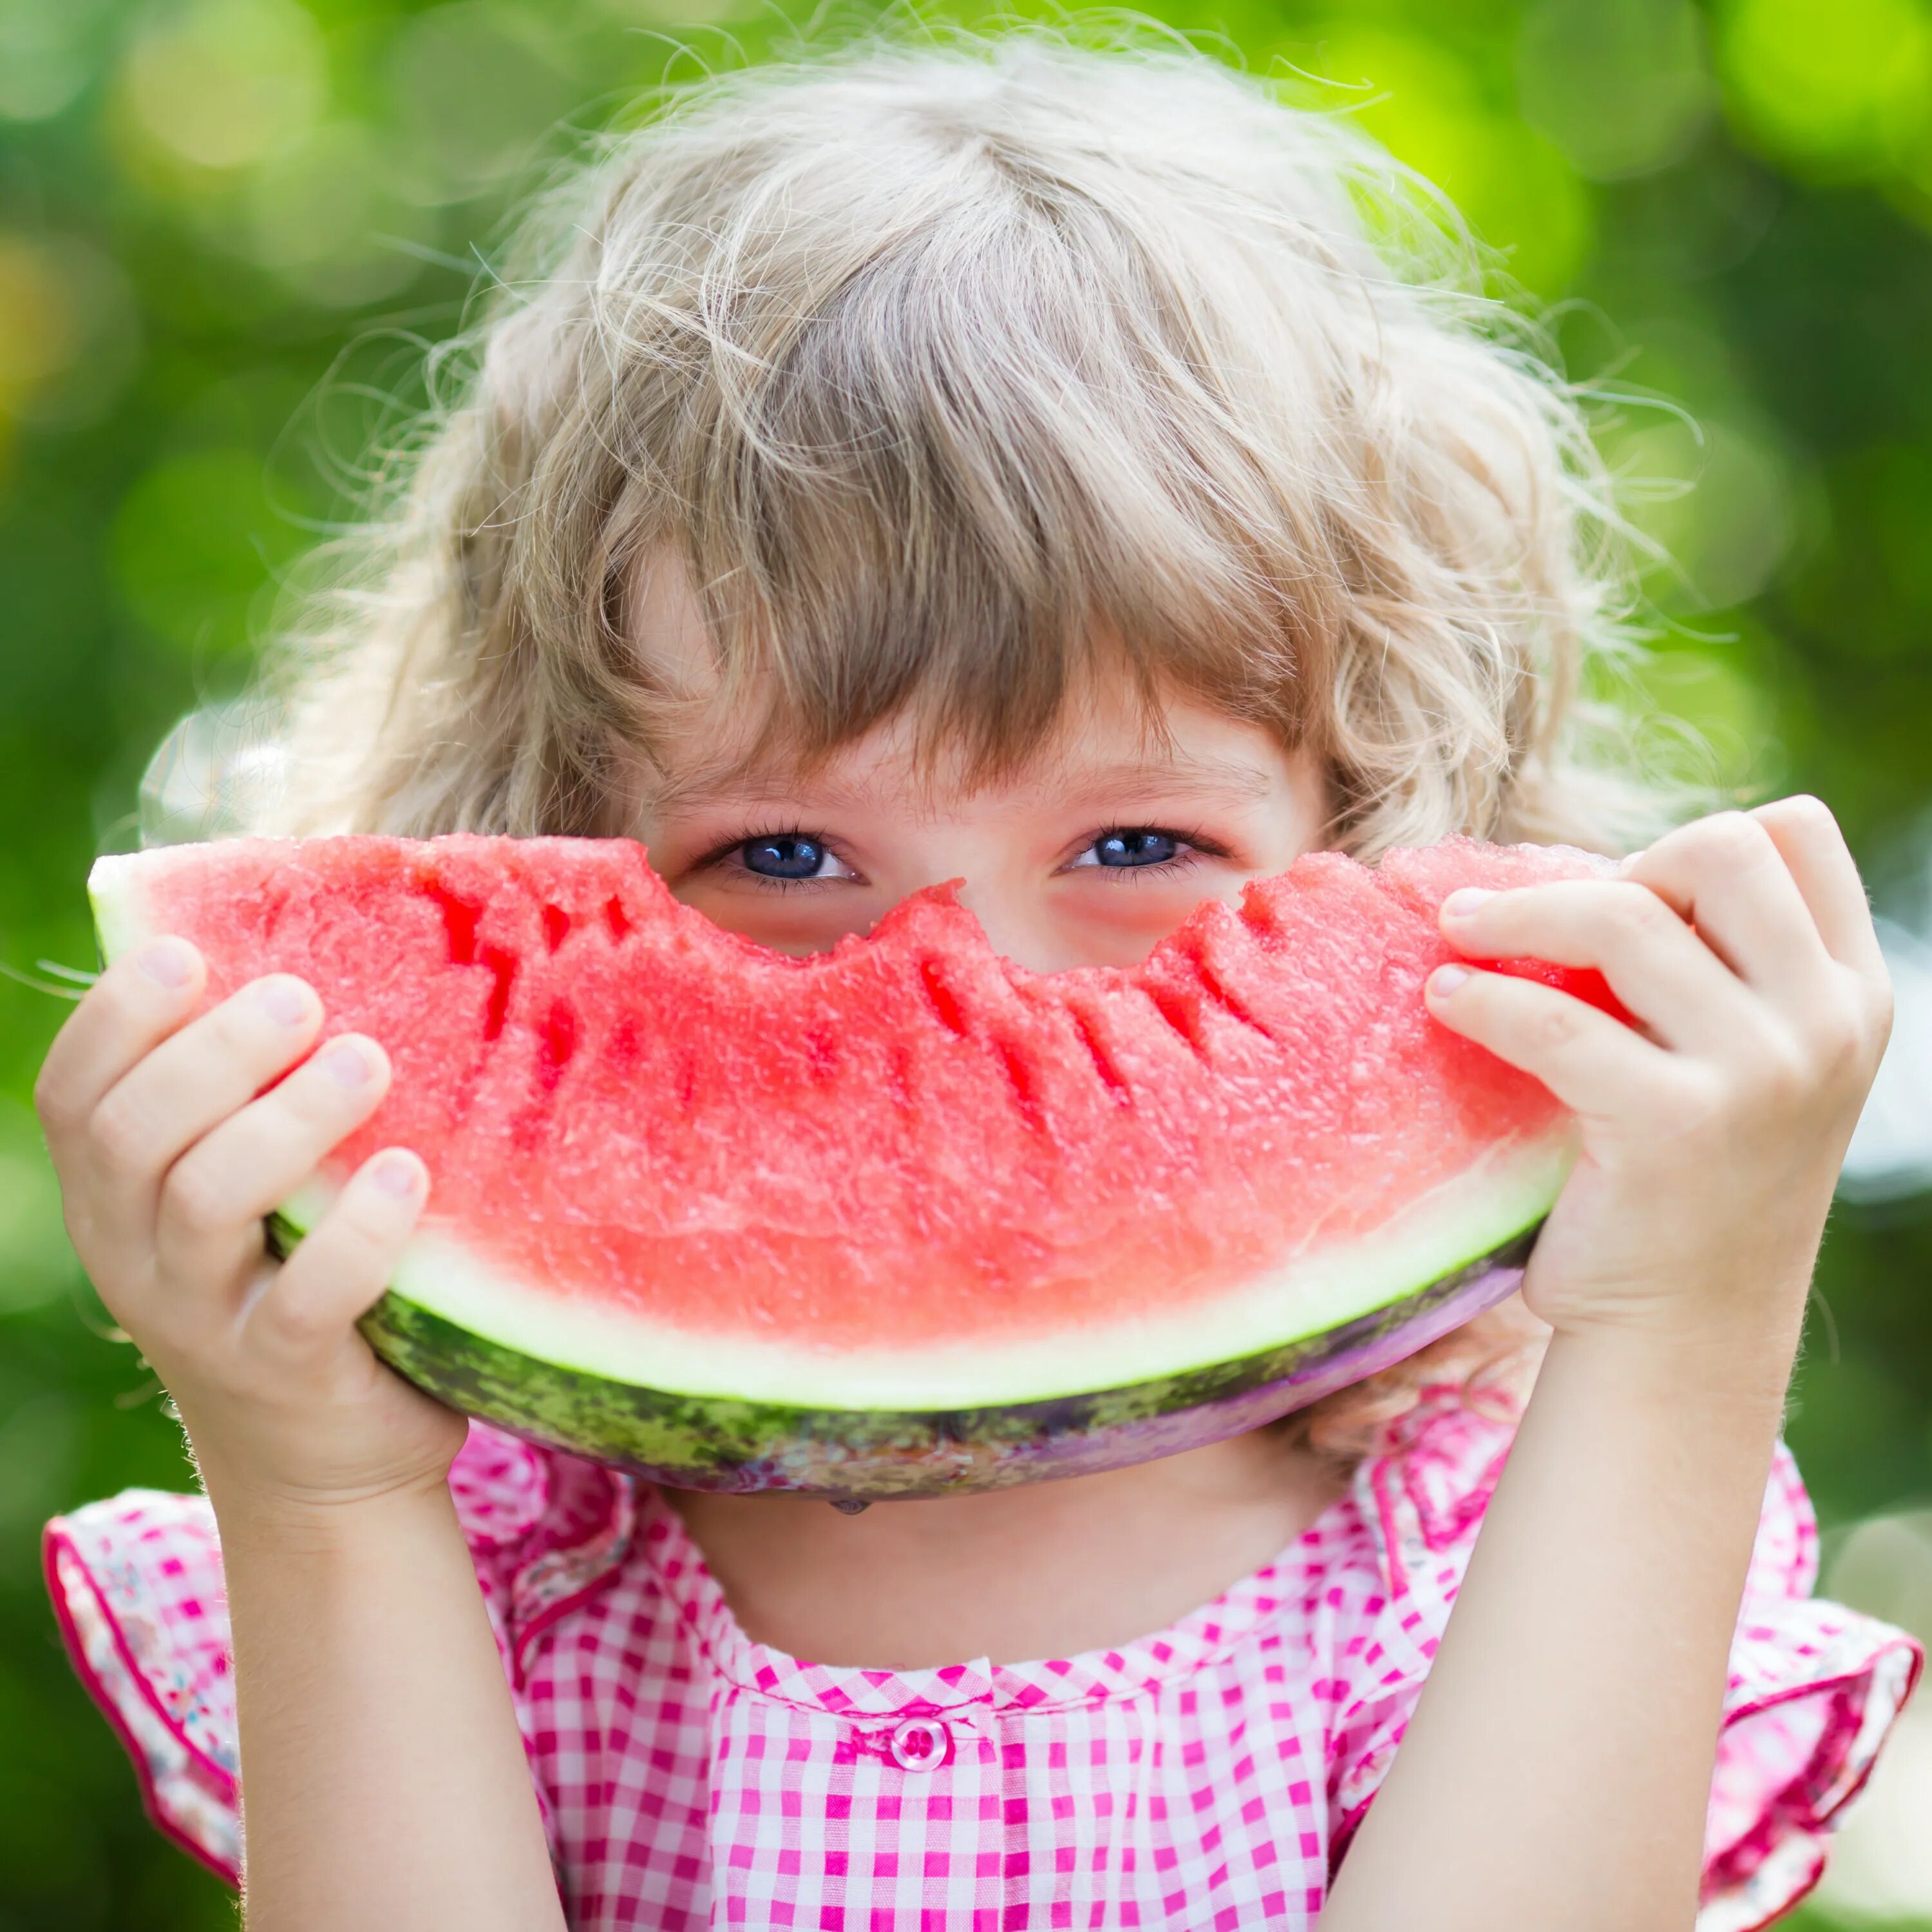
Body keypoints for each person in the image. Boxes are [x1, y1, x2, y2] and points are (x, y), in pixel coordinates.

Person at [37, 34, 1921, 1932]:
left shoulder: (1485, 1534)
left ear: (1370, 832)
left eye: (1130, 850)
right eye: (784, 856)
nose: (972, 991)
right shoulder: (498, 1544)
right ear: (551, 833)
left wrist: (1690, 1323)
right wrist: (326, 1496)